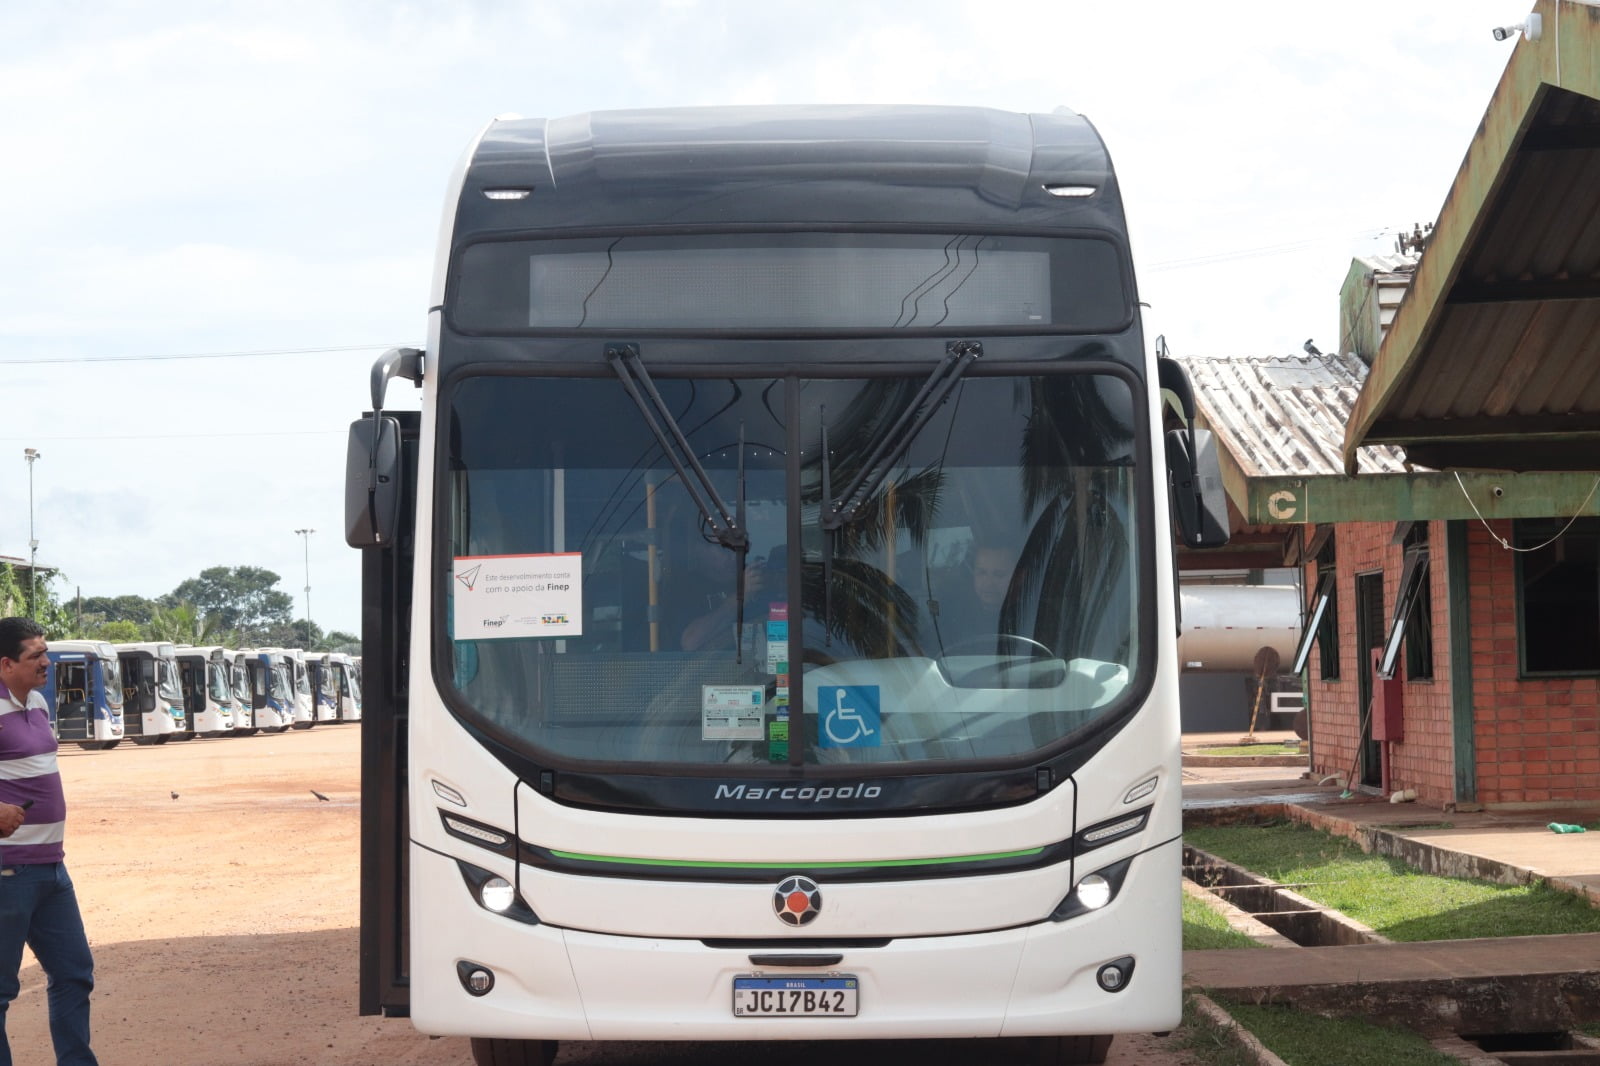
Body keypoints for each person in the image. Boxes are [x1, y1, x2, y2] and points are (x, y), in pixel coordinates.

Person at [0, 616, 99, 1066]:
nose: (47, 662)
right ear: (6, 664)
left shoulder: (37, 702)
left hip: (52, 869)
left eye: (46, 652)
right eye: (35, 655)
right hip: (8, 872)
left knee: (74, 973)